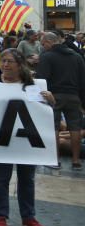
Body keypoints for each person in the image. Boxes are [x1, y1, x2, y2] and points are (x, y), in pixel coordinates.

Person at [0, 49, 51, 226]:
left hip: (26, 142)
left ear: (20, 65)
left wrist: (50, 100)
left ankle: (28, 217)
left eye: (9, 61)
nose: (5, 64)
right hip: (2, 142)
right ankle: (0, 216)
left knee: (27, 179)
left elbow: (43, 111)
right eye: (3, 61)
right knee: (1, 179)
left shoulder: (32, 86)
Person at [36, 31, 85, 170]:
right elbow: (83, 80)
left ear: (50, 42)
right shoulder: (77, 56)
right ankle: (76, 161)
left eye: (43, 44)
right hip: (74, 96)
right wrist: (83, 101)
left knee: (54, 127)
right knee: (75, 128)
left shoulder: (47, 56)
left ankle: (55, 160)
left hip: (53, 96)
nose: (43, 47)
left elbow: (41, 78)